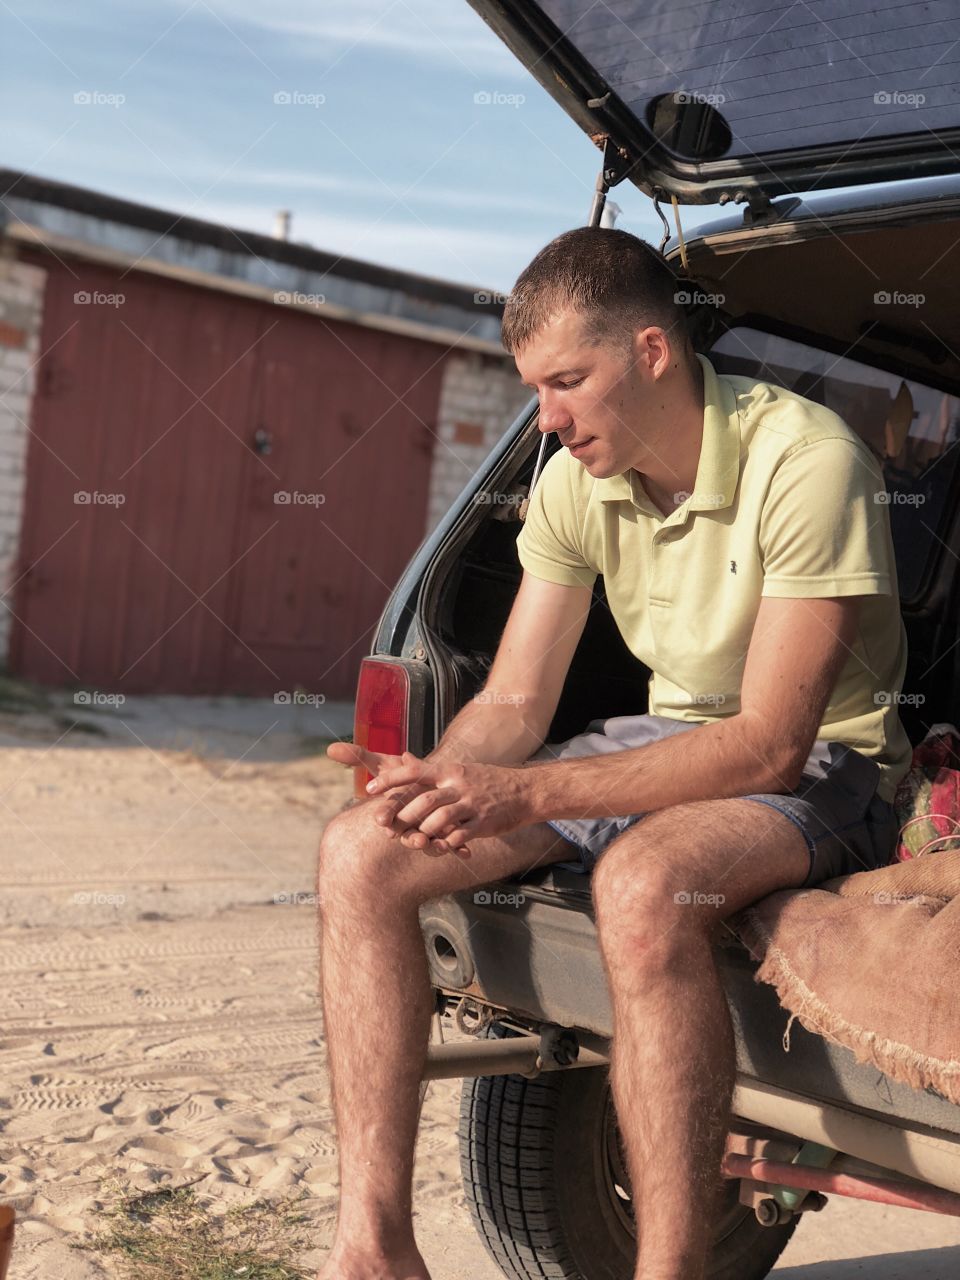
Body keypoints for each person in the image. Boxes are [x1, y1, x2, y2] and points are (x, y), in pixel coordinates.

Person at [319, 226, 912, 1280]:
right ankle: (373, 1245)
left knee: (643, 885)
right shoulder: (569, 484)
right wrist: (443, 780)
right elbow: (510, 699)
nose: (546, 417)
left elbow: (773, 743)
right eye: (532, 388)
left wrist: (526, 788)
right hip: (664, 737)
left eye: (566, 382)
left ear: (650, 352)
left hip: (830, 759)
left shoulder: (809, 460)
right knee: (359, 852)